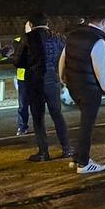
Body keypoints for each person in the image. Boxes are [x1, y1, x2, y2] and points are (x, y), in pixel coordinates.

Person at [59, 7, 105, 174]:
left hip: (73, 86)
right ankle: (84, 164)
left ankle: (77, 158)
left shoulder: (74, 35)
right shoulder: (97, 40)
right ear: (104, 21)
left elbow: (63, 58)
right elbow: (102, 69)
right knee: (87, 126)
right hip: (89, 90)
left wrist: (62, 79)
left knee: (84, 124)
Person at [16, 13, 70, 161]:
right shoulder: (59, 37)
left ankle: (43, 152)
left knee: (38, 118)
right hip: (53, 79)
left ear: (31, 24)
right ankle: (67, 149)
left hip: (35, 81)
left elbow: (19, 62)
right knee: (57, 114)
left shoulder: (28, 38)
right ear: (47, 23)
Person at [13, 22, 31, 136]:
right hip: (23, 76)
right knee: (23, 104)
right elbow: (18, 58)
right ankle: (22, 126)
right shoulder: (18, 40)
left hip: (36, 75)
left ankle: (40, 126)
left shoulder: (40, 39)